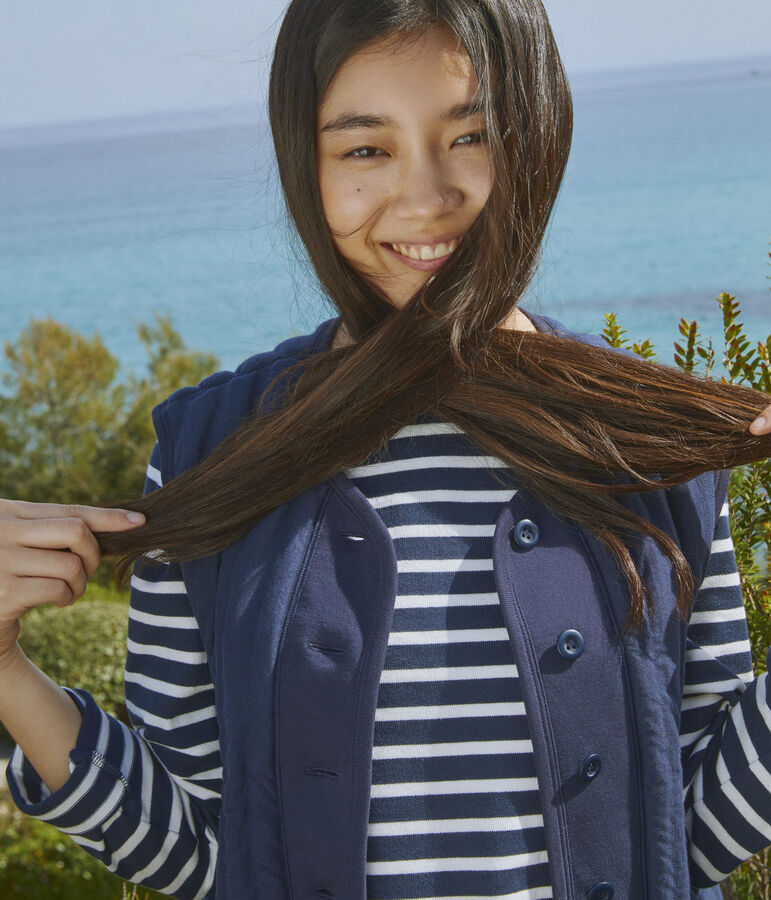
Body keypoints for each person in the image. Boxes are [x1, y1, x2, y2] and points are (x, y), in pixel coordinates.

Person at [1, 1, 770, 898]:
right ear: (306, 164)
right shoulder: (212, 453)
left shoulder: (646, 439)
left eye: (471, 135)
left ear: (538, 137)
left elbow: (691, 838)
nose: (425, 198)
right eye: (365, 149)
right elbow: (209, 857)